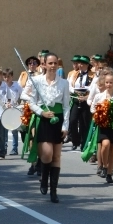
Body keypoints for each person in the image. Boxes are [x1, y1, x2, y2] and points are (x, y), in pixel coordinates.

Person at [23, 52, 70, 203]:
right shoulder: (36, 81)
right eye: (50, 63)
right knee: (47, 154)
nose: (53, 66)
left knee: (56, 157)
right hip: (43, 120)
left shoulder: (64, 83)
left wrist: (65, 125)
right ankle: (44, 179)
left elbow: (66, 106)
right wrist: (41, 112)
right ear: (44, 65)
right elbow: (31, 102)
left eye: (55, 63)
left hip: (58, 120)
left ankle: (53, 191)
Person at [67, 55, 94, 150]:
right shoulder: (74, 74)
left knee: (85, 123)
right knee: (72, 120)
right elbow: (69, 85)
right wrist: (74, 91)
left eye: (82, 64)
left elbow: (94, 87)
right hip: (76, 99)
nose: (80, 65)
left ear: (87, 65)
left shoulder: (93, 75)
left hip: (86, 100)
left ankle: (84, 142)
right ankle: (75, 141)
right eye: (79, 63)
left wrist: (86, 96)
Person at [3, 68, 23, 156]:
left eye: (8, 77)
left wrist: (21, 105)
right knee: (4, 129)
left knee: (14, 129)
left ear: (12, 77)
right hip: (4, 109)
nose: (7, 79)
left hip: (14, 109)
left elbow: (22, 96)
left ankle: (14, 148)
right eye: (5, 77)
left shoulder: (17, 86)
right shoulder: (2, 86)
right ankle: (4, 147)